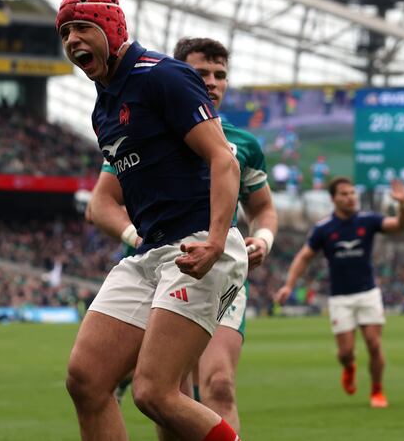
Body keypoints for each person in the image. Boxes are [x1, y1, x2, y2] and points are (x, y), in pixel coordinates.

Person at [57, 0, 245, 441]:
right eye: (65, 32)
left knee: (155, 393)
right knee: (86, 380)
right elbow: (105, 199)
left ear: (112, 28)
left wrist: (217, 242)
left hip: (197, 242)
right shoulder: (103, 107)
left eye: (83, 27)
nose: (72, 39)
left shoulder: (163, 75)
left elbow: (224, 160)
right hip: (150, 252)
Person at [88, 37, 278, 434]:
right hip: (162, 259)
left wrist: (262, 239)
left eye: (220, 74)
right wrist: (134, 236)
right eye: (201, 72)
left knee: (215, 383)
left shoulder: (243, 144)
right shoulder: (150, 122)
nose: (212, 81)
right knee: (166, 392)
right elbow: (101, 203)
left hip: (213, 259)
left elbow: (262, 209)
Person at [274, 176, 404, 408]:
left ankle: (377, 390)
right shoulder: (324, 229)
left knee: (374, 345)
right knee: (345, 353)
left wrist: (403, 205)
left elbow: (399, 226)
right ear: (333, 198)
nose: (350, 198)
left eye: (352, 193)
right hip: (340, 298)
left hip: (368, 293)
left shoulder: (368, 220)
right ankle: (349, 367)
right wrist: (289, 284)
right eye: (344, 194)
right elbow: (303, 257)